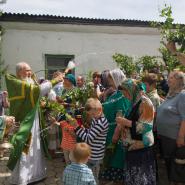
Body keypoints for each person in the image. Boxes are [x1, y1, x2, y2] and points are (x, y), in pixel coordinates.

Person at [5, 62, 63, 185]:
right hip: (25, 122)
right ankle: (23, 177)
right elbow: (37, 91)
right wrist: (54, 81)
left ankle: (36, 174)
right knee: (25, 148)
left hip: (34, 120)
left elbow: (36, 94)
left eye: (30, 70)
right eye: (27, 70)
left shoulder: (28, 82)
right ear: (19, 71)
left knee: (35, 147)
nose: (30, 72)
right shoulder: (18, 83)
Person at [116, 79, 156, 185]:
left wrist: (125, 122)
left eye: (125, 93)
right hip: (133, 146)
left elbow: (146, 126)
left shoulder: (145, 103)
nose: (124, 96)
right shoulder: (134, 102)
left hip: (141, 147)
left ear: (132, 90)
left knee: (141, 179)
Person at [99, 69, 129, 185]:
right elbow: (105, 107)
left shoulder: (123, 95)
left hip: (116, 132)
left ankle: (118, 181)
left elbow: (120, 117)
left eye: (111, 77)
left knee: (116, 159)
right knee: (109, 158)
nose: (108, 79)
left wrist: (115, 137)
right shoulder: (114, 93)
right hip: (108, 131)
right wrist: (106, 95)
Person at [69, 98, 108, 184]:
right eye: (90, 115)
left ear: (99, 110)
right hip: (92, 153)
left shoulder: (100, 123)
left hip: (95, 155)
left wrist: (77, 128)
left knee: (92, 178)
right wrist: (84, 129)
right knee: (88, 176)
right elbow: (91, 133)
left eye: (93, 114)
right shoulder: (97, 119)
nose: (92, 116)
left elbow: (88, 138)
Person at [156, 70, 185, 185]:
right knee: (170, 166)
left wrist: (181, 137)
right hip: (166, 137)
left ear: (180, 80)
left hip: (175, 138)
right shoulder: (171, 94)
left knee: (177, 168)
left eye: (171, 77)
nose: (168, 79)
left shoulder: (182, 95)